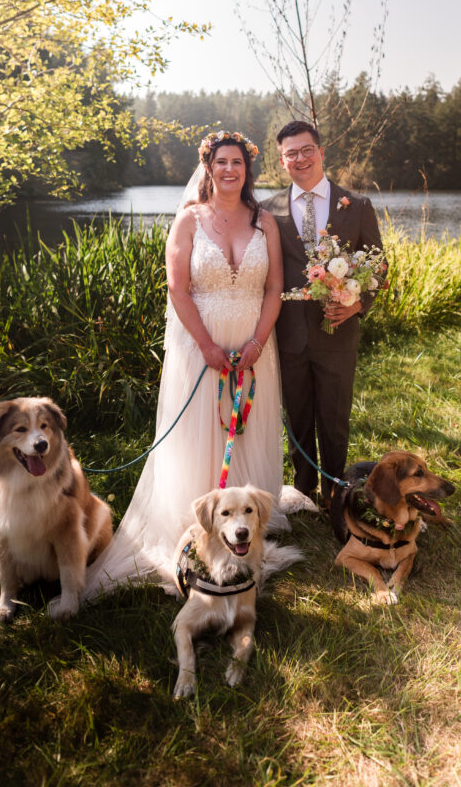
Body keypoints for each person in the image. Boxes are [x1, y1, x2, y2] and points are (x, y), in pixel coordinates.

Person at [82, 131, 295, 602]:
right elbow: (178, 289)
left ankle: (245, 521)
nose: (229, 170)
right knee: (200, 433)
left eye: (237, 162)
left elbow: (274, 287)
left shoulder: (265, 223)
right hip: (201, 348)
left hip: (255, 346)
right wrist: (207, 346)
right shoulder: (188, 220)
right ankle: (196, 525)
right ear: (208, 167)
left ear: (247, 168)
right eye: (221, 162)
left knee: (246, 432)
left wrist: (258, 341)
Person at [262, 120, 384, 506]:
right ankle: (303, 489)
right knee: (296, 413)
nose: (300, 158)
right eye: (291, 154)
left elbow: (379, 266)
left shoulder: (357, 205)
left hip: (337, 329)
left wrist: (358, 305)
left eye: (307, 150)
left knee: (333, 415)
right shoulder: (268, 211)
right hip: (289, 331)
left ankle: (337, 487)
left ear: (321, 152)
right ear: (282, 161)